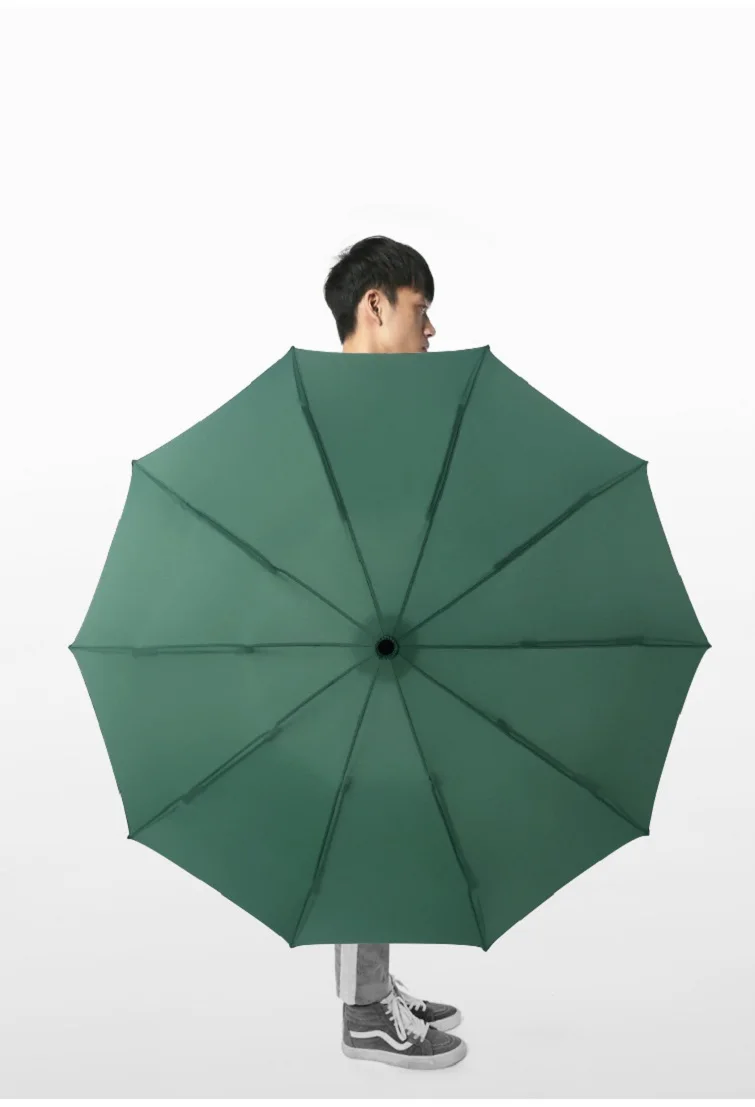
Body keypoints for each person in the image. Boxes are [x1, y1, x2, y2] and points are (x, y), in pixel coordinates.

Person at [322, 236, 467, 1070]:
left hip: (382, 631)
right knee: (359, 814)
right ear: (374, 304)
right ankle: (364, 1009)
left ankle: (374, 982)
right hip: (346, 642)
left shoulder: (374, 407)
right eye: (421, 307)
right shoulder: (337, 407)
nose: (432, 327)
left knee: (381, 807)